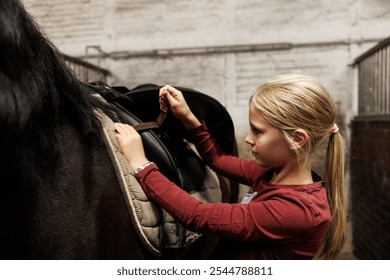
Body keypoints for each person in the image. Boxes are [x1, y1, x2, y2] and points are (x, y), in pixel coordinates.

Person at [114, 74, 347, 259]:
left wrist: (141, 164)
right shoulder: (274, 173)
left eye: (257, 131)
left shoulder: (298, 211)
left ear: (297, 139)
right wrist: (188, 118)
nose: (248, 139)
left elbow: (196, 215)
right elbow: (218, 160)